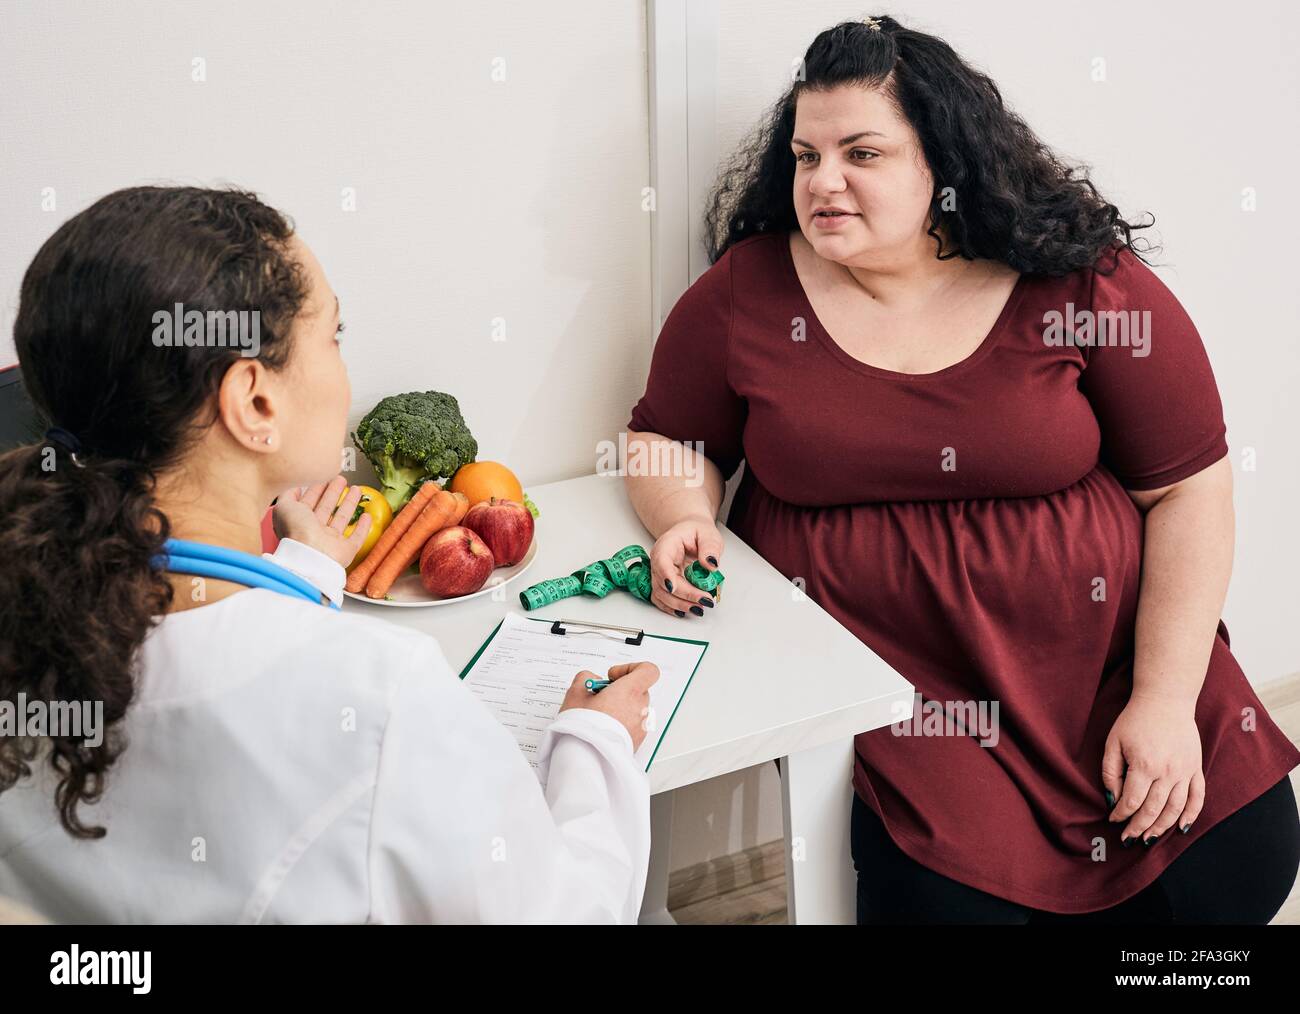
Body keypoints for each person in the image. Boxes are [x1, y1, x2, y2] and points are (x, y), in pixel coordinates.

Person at [623, 16, 1300, 923]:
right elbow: (669, 439)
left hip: (1102, 659)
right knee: (955, 906)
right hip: (909, 691)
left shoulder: (1077, 279)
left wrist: (1165, 700)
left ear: (944, 160)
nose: (823, 182)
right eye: (805, 156)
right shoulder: (748, 293)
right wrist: (682, 516)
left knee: (1239, 859)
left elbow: (1187, 485)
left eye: (862, 153)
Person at [0, 185, 658, 924]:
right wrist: (593, 746)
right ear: (254, 403)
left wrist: (308, 569)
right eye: (335, 334)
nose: (345, 365)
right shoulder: (382, 697)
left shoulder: (30, 610)